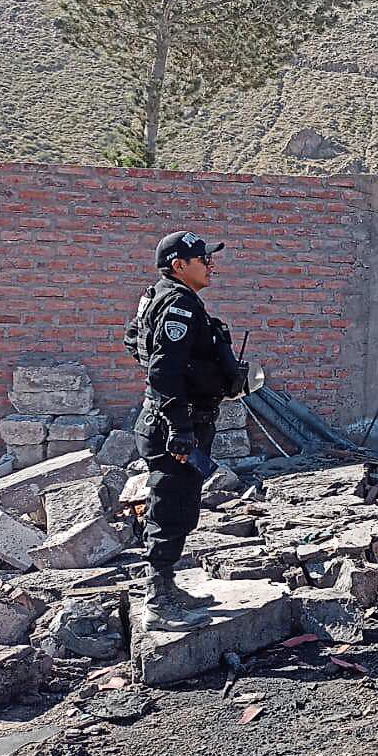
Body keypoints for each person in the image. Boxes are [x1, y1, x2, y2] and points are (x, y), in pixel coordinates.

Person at [124, 231, 247, 631]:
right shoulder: (178, 304)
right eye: (202, 259)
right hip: (175, 427)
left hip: (176, 420)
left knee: (179, 506)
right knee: (170, 509)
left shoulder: (162, 296)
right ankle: (158, 602)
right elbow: (162, 369)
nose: (211, 264)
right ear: (180, 266)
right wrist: (179, 425)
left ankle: (167, 587)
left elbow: (135, 342)